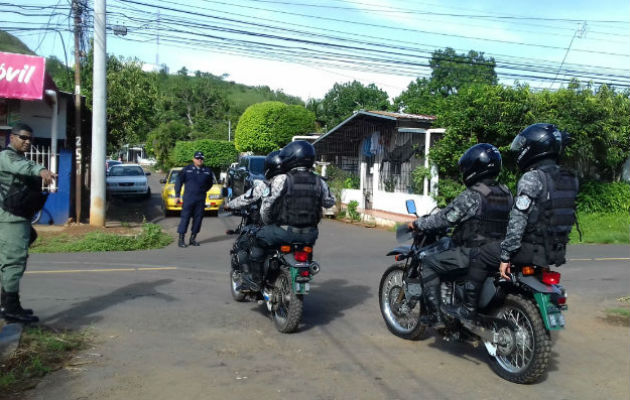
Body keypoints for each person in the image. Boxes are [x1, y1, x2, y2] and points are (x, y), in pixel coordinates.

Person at [446, 123, 578, 322]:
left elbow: (519, 217)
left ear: (533, 149)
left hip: (528, 248)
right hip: (554, 250)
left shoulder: (532, 178)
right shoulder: (569, 178)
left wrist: (506, 255)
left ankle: (468, 310)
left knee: (481, 255)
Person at [407, 143, 513, 329]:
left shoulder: (473, 195)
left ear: (473, 168)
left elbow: (446, 218)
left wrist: (418, 224)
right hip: (497, 253)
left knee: (429, 263)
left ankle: (435, 316)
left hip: (471, 252)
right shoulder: (506, 192)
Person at [248, 141, 335, 290]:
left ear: (291, 158)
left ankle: (256, 281)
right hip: (310, 233)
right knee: (306, 248)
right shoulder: (319, 181)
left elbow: (268, 203)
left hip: (285, 231)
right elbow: (329, 202)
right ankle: (304, 272)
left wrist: (266, 220)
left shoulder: (283, 179)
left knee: (256, 239)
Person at [0, 123, 55, 323]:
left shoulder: (18, 157)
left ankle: (6, 304)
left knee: (10, 259)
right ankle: (11, 308)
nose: (27, 141)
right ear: (12, 137)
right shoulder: (7, 157)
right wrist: (41, 170)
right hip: (11, 218)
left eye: (30, 138)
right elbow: (23, 167)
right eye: (23, 137)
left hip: (17, 217)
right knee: (14, 262)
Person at [224, 150, 283, 290]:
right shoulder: (294, 183)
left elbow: (247, 198)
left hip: (269, 228)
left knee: (245, 245)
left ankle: (254, 281)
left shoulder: (265, 185)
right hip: (295, 230)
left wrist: (229, 205)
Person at [175, 151, 216, 248]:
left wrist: (203, 190)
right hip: (189, 198)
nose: (200, 160)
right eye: (198, 158)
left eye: (201, 158)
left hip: (200, 199)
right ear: (193, 159)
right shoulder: (187, 169)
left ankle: (193, 238)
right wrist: (177, 195)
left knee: (198, 219)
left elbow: (210, 183)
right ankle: (181, 239)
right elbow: (178, 181)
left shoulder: (207, 171)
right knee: (185, 218)